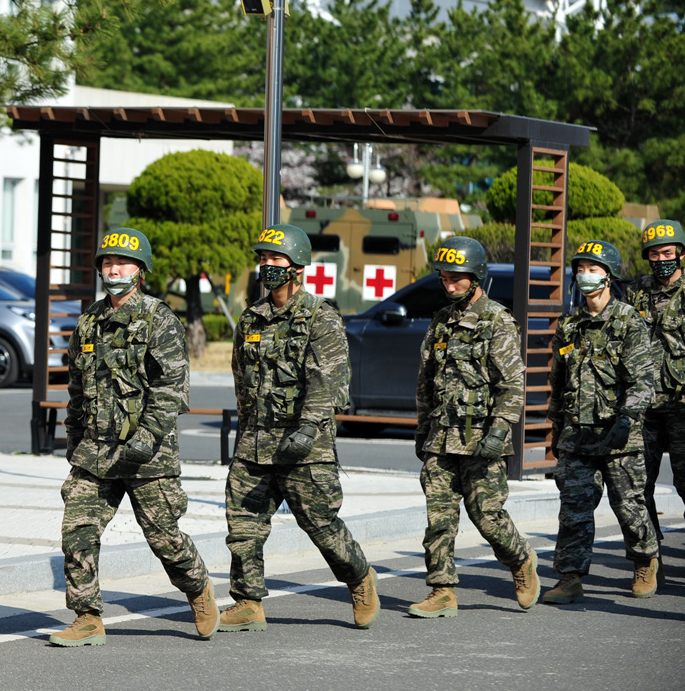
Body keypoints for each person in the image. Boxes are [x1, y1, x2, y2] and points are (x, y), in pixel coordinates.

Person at [49, 228, 217, 647]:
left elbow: (171, 389)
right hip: (95, 453)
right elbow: (76, 391)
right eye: (107, 262)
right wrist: (73, 443)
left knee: (164, 538)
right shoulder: (89, 321)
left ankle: (198, 588)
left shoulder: (159, 319)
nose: (113, 268)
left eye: (122, 262)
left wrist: (145, 438)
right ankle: (87, 616)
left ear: (140, 270)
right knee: (78, 532)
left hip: (148, 456)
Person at [222, 224, 379, 631]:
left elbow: (329, 379)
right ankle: (247, 601)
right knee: (243, 525)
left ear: (296, 266)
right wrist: (246, 430)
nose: (267, 266)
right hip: (256, 442)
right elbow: (242, 377)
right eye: (263, 259)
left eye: (276, 260)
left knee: (321, 525)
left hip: (304, 445)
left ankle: (360, 578)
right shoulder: (251, 317)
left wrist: (308, 428)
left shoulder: (319, 317)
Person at [409, 237, 539, 617]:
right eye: (445, 278)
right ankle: (442, 589)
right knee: (439, 520)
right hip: (441, 436)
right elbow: (425, 381)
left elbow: (512, 384)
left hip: (482, 438)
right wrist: (421, 431)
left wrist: (499, 431)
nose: (450, 286)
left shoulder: (497, 320)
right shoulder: (440, 322)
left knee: (488, 516)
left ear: (477, 276)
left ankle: (520, 560)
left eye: (458, 279)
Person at [544, 240, 660, 603]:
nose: (585, 276)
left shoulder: (629, 322)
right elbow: (558, 381)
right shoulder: (570, 324)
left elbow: (643, 379)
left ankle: (645, 560)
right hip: (577, 436)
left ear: (609, 276)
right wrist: (556, 428)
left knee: (629, 505)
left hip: (618, 435)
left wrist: (628, 418)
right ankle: (570, 576)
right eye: (580, 269)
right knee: (574, 510)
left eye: (593, 269)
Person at [626, 219, 685, 572]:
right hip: (643, 407)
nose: (661, 258)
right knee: (637, 485)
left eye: (667, 251)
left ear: (680, 253)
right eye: (654, 253)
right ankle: (649, 558)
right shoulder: (637, 292)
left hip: (681, 406)